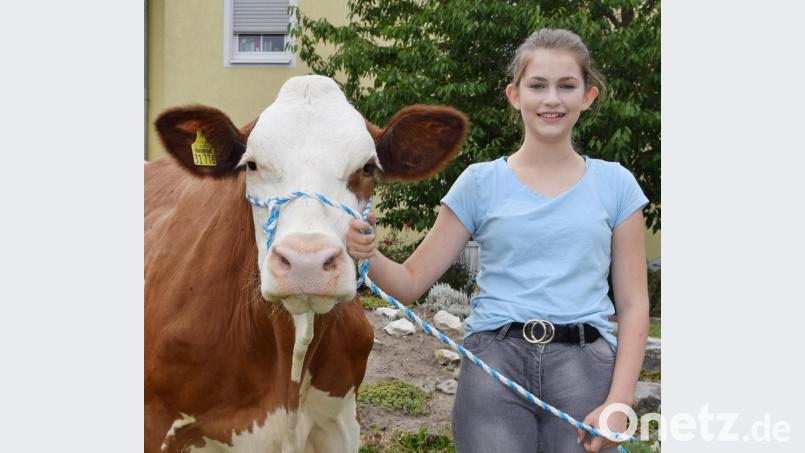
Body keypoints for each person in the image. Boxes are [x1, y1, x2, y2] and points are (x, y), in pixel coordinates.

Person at [347, 28, 649, 453]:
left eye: (567, 86)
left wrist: (620, 400)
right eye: (537, 85)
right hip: (495, 366)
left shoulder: (617, 185)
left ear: (588, 96)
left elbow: (634, 304)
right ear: (514, 94)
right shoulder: (479, 183)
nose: (551, 100)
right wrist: (367, 251)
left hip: (585, 370)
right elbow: (410, 282)